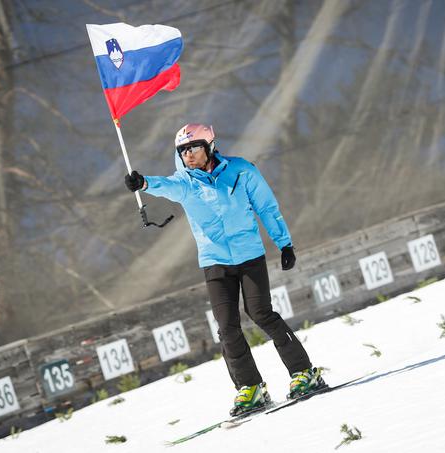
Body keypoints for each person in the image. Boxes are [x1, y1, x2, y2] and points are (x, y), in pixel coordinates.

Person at [124, 123, 325, 416]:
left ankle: (304, 372)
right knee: (227, 328)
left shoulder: (241, 170)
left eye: (193, 148)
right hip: (215, 261)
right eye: (182, 151)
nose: (188, 155)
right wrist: (142, 183)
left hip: (249, 257)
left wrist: (284, 244)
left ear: (209, 147)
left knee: (261, 314)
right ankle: (251, 388)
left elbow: (267, 207)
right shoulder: (186, 183)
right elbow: (165, 185)